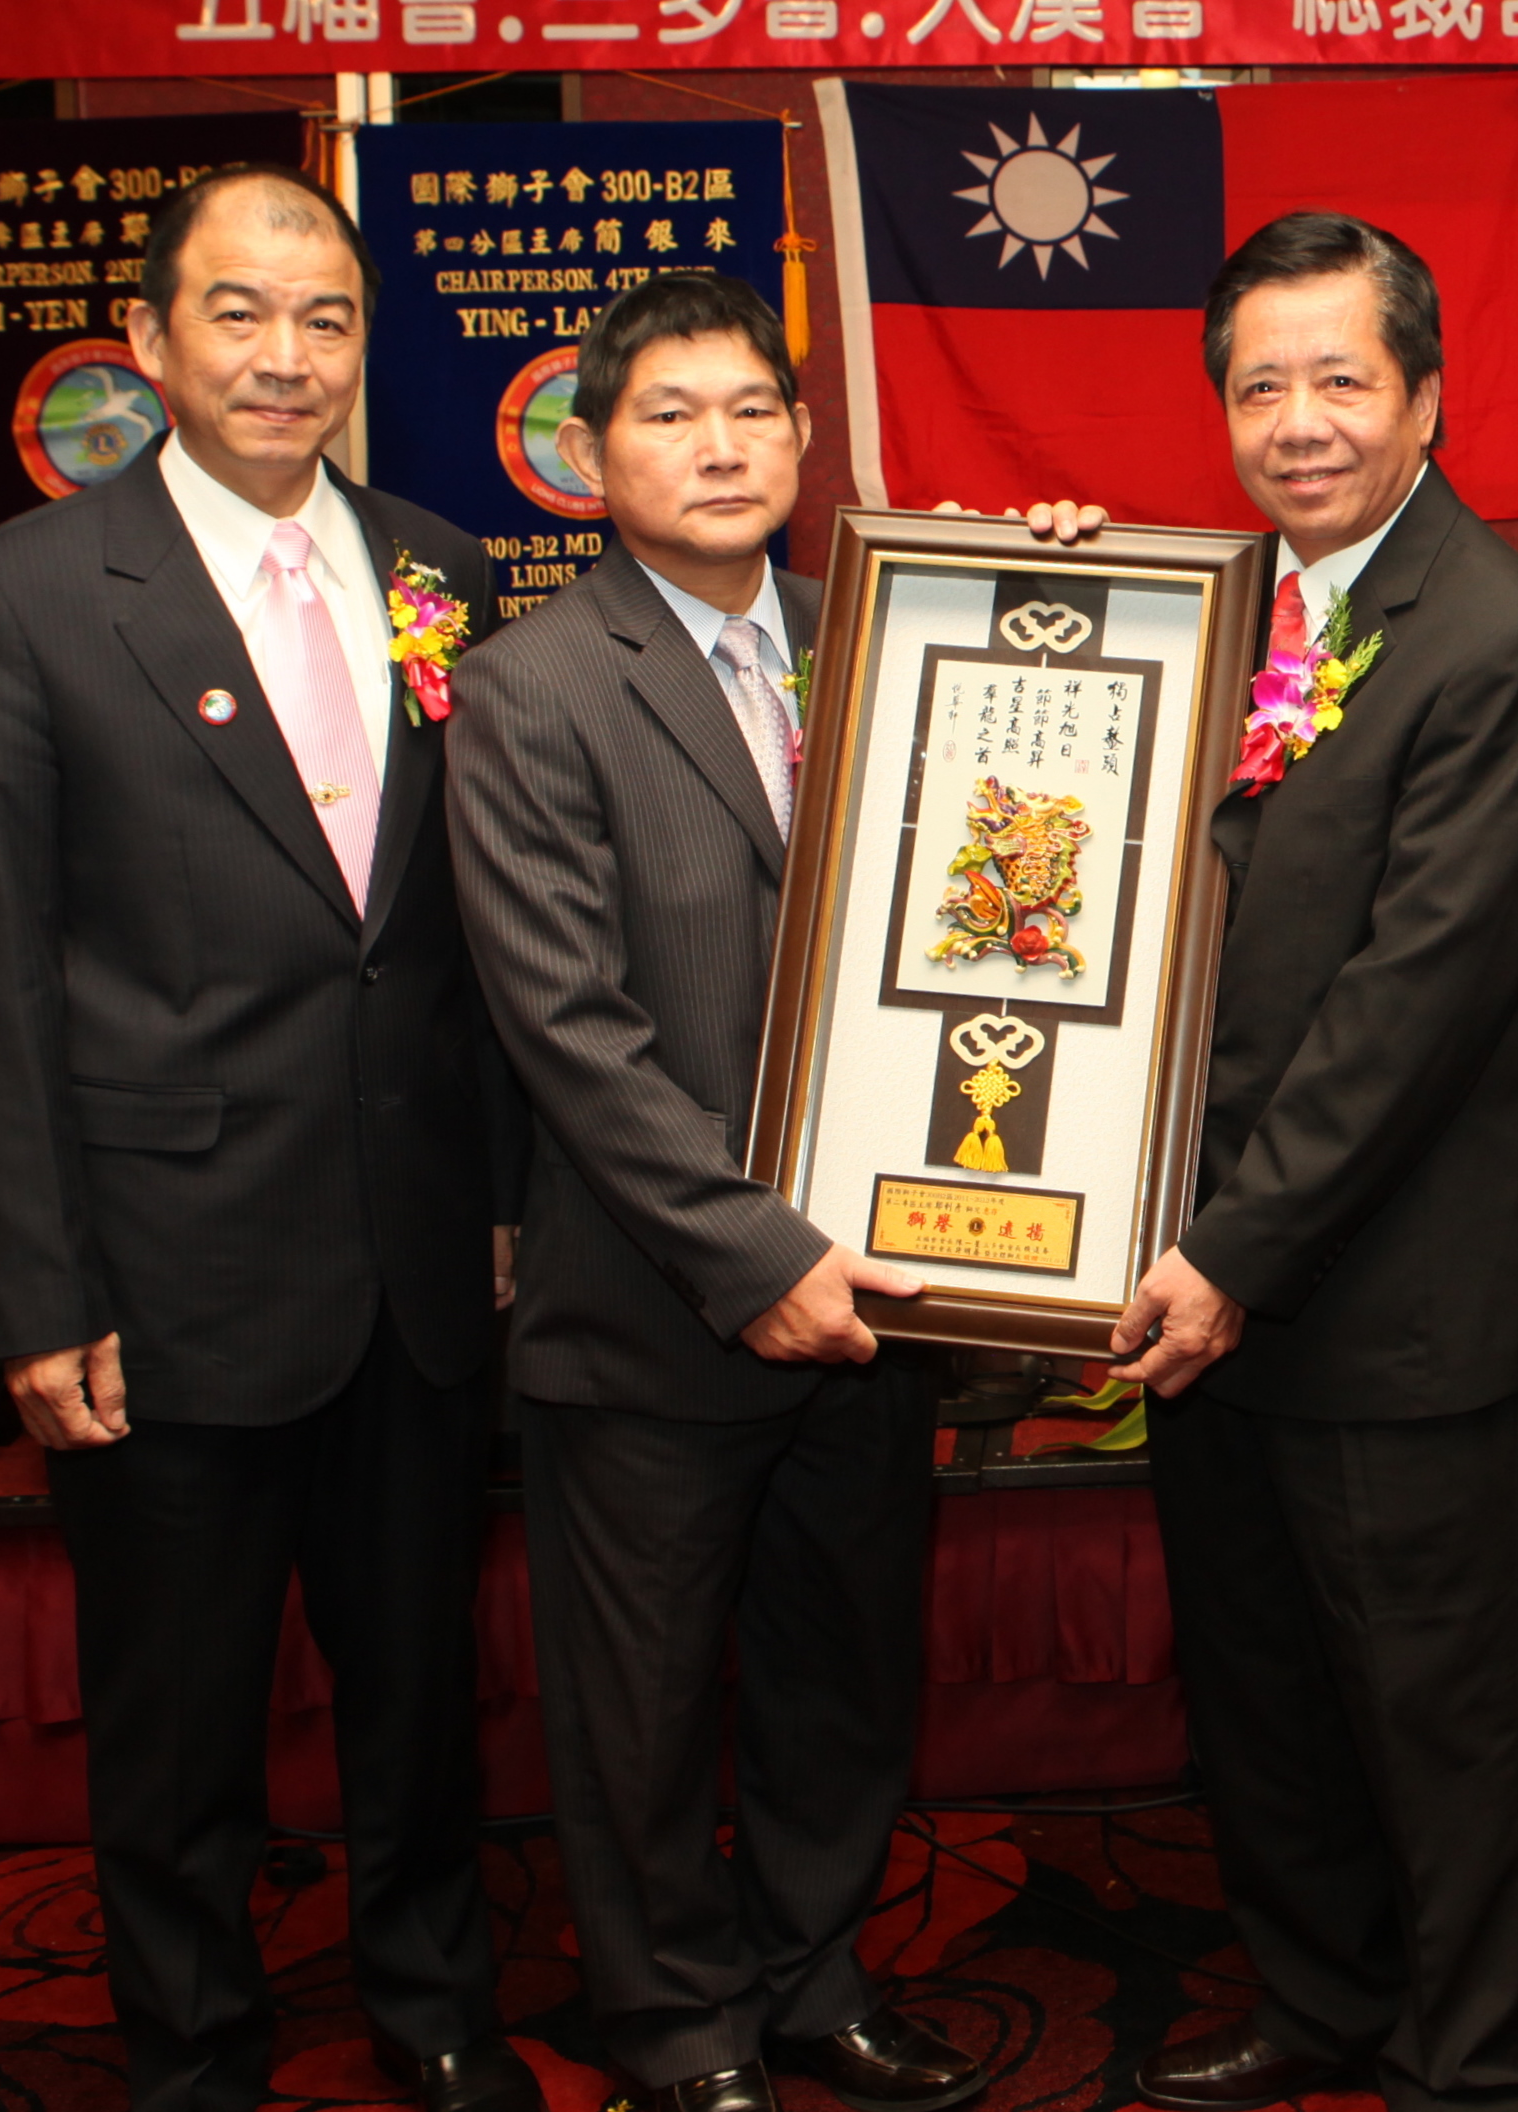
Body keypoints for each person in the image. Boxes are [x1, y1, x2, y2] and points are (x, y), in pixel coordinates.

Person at [0, 165, 536, 2112]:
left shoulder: (440, 569)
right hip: (164, 1267)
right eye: (240, 313)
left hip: (416, 1253)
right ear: (154, 340)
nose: (286, 355)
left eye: (325, 317)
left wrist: (505, 1204)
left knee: (418, 1680)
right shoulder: (20, 594)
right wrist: (35, 1294)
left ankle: (434, 2003)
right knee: (179, 1709)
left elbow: (467, 937)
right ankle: (192, 2043)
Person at [443, 272, 1100, 2112]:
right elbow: (564, 1026)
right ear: (590, 456)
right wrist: (758, 1255)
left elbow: (1022, 873)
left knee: (841, 1671)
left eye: (750, 410)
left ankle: (813, 1981)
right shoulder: (529, 687)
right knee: (642, 1707)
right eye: (668, 415)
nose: (717, 446)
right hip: (657, 1305)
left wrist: (1063, 593)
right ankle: (678, 2028)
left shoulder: (886, 630)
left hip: (882, 1289)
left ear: (806, 439)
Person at [1107, 212, 1518, 2112]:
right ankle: (1319, 1996)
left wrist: (1232, 1252)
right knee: (1264, 1689)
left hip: (1380, 1298)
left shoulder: (1498, 639)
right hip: (1204, 1290)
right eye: (1259, 386)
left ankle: (1483, 2062)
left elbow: (1417, 1002)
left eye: (1339, 379)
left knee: (1436, 1718)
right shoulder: (1225, 607)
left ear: (1426, 397)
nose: (1297, 421)